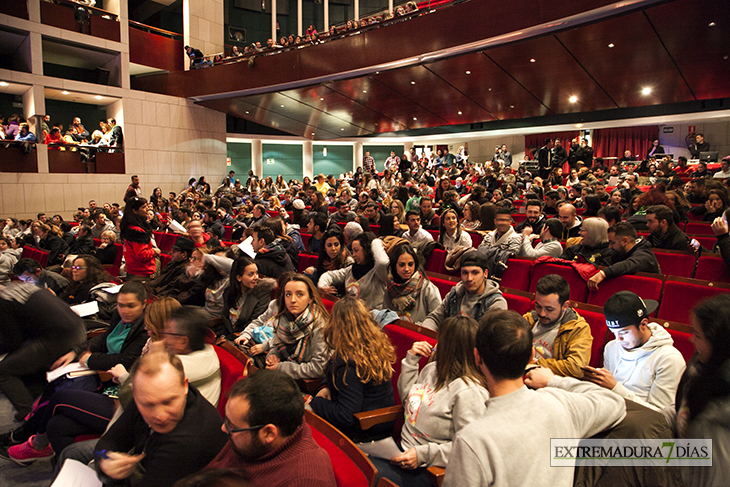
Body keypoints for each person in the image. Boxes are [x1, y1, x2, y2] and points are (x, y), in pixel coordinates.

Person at [442, 309, 626, 487]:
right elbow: (614, 402)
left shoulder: (472, 440)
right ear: (531, 355)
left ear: (477, 357)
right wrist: (554, 381)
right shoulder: (561, 404)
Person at [373, 315, 490, 487]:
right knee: (354, 462)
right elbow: (409, 405)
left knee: (365, 474)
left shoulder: (470, 392)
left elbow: (468, 449)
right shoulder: (432, 370)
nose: (435, 345)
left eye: (439, 340)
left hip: (429, 468)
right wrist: (411, 361)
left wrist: (422, 455)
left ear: (450, 348)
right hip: (401, 452)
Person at [93, 350, 228, 487]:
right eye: (148, 405)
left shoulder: (189, 440)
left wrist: (111, 476)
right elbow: (109, 442)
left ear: (185, 386)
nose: (160, 416)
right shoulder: (150, 392)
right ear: (135, 392)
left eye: (168, 402)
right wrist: (105, 459)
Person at [205, 370, 337, 486]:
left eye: (231, 426)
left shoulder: (306, 480)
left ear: (269, 433)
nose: (224, 428)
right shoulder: (250, 437)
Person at [309, 297, 396, 441]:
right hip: (379, 427)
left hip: (365, 433)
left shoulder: (348, 363)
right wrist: (326, 386)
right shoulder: (373, 347)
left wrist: (315, 402)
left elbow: (346, 416)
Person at [581, 291, 685, 412]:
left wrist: (615, 388)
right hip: (609, 411)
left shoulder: (669, 359)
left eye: (624, 333)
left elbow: (661, 416)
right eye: (614, 332)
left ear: (643, 324)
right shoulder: (611, 348)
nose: (618, 340)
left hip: (641, 424)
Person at [0, 283, 86, 422]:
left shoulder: (3, 301)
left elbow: (12, 342)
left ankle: (30, 417)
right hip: (77, 329)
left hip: (60, 339)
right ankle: (36, 407)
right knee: (22, 361)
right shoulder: (22, 286)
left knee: (4, 370)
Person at [673, 294, 730, 487]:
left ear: (719, 344)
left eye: (698, 335)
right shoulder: (701, 363)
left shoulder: (716, 419)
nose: (691, 339)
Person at [250, 274, 330, 380]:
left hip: (306, 383)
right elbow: (276, 344)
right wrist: (273, 355)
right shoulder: (282, 319)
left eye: (300, 294)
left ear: (310, 298)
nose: (292, 300)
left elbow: (318, 368)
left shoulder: (321, 326)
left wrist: (280, 367)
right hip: (286, 375)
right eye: (288, 294)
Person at [522, 274, 592, 378]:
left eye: (549, 309)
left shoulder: (578, 328)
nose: (542, 313)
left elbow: (576, 368)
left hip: (551, 384)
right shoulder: (529, 319)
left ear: (565, 306)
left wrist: (533, 366)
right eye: (538, 306)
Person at [422, 252, 507, 331]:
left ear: (485, 273)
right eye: (465, 273)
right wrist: (426, 338)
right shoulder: (454, 294)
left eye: (475, 273)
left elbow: (489, 338)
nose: (469, 278)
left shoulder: (496, 302)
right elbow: (434, 318)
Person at [318, 232, 389, 309]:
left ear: (367, 250)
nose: (353, 255)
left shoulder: (378, 272)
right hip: (351, 315)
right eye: (352, 251)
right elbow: (329, 275)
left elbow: (382, 262)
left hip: (372, 317)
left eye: (356, 250)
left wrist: (376, 242)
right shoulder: (351, 269)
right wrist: (323, 286)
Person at [588, 222, 660, 290]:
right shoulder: (619, 250)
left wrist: (603, 274)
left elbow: (628, 264)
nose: (610, 246)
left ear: (625, 241)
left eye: (612, 243)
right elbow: (605, 263)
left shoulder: (645, 254)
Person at [219, 255, 276, 340]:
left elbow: (256, 322)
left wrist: (235, 336)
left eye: (256, 273)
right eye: (251, 274)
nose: (256, 277)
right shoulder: (229, 291)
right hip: (228, 334)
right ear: (239, 277)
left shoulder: (262, 293)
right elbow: (225, 316)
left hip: (246, 336)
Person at [383, 244, 441, 323]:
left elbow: (438, 319)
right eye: (401, 265)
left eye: (410, 264)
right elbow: (385, 316)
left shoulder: (428, 288)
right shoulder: (389, 288)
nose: (407, 269)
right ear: (394, 266)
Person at [120, 197, 159, 278]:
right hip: (141, 272)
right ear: (135, 211)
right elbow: (142, 255)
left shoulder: (128, 227)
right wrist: (154, 251)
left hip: (132, 270)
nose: (147, 209)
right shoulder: (138, 231)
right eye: (143, 207)